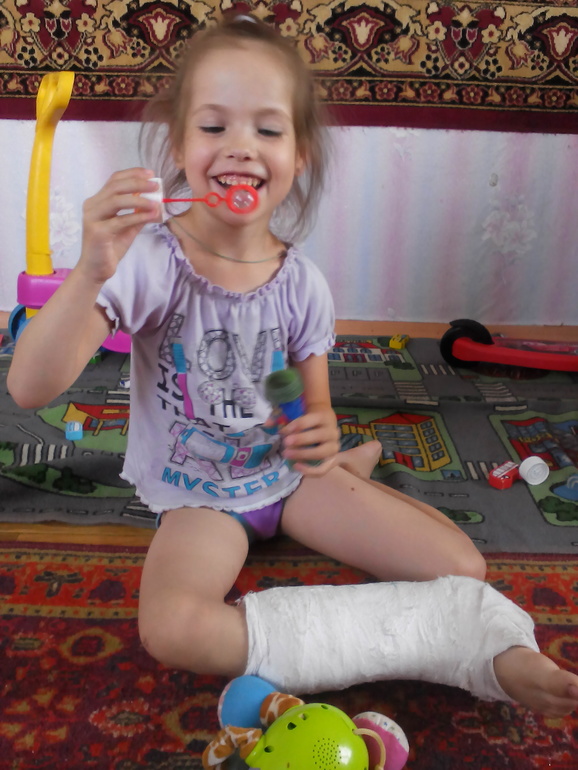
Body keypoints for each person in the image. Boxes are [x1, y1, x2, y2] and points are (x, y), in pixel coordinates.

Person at [7, 15, 578, 719]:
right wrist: (92, 271)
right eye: (213, 126)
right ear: (179, 145)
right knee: (172, 628)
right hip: (202, 499)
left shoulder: (302, 284)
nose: (240, 145)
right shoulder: (149, 264)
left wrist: (319, 435)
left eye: (268, 129)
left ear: (299, 155)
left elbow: (312, 406)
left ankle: (387, 525)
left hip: (292, 480)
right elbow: (27, 387)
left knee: (464, 568)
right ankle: (416, 629)